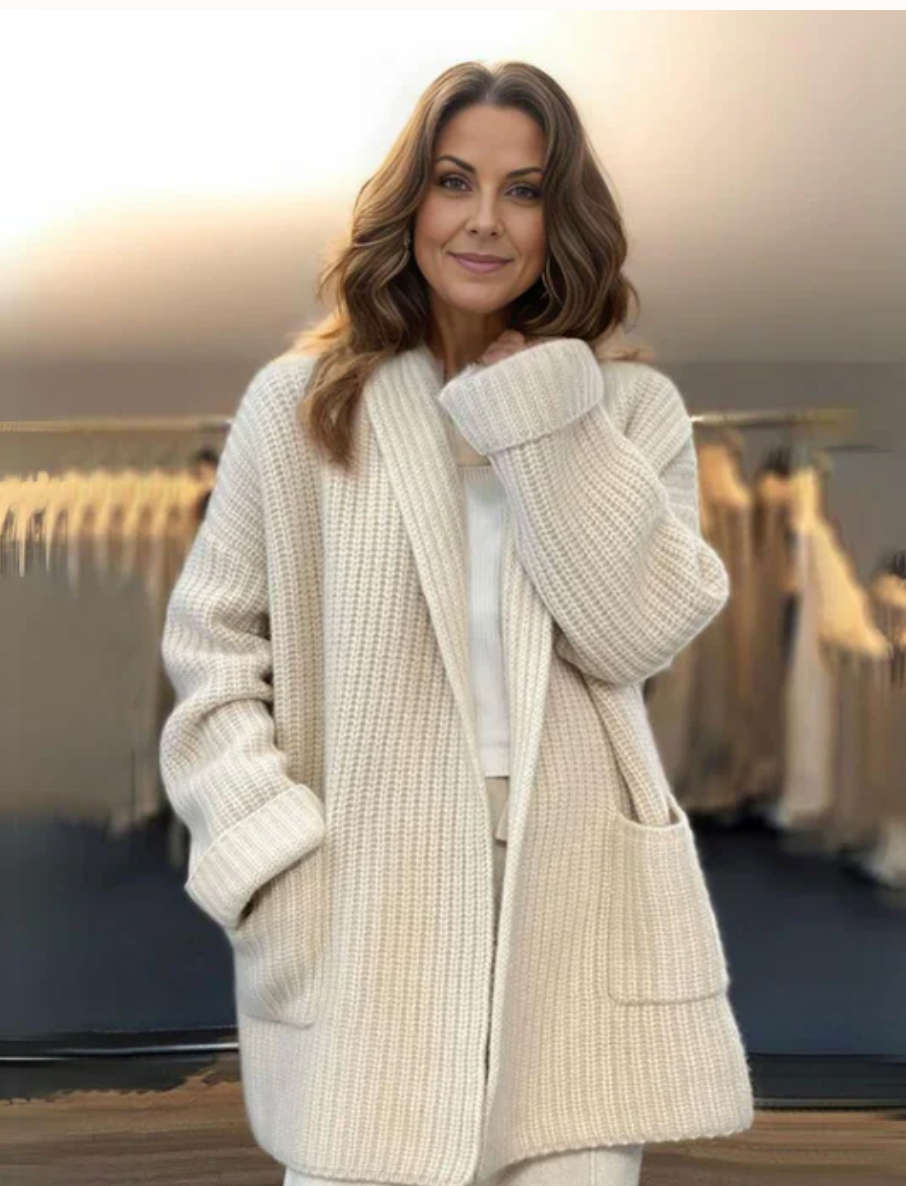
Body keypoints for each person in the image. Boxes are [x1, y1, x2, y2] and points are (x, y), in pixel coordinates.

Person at [159, 59, 755, 1186]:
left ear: (560, 218)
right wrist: (275, 858)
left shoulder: (630, 410)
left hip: (573, 895)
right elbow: (214, 651)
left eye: (524, 190)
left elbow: (633, 634)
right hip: (362, 884)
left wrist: (541, 410)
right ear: (412, 201)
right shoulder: (301, 405)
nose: (485, 219)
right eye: (454, 180)